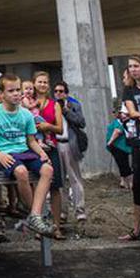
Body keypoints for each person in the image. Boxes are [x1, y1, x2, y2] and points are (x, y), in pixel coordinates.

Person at [0, 74, 55, 236]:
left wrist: (42, 153)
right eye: (10, 90)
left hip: (24, 152)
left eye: (18, 90)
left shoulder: (26, 114)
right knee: (21, 172)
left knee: (48, 170)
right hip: (6, 154)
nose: (15, 93)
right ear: (2, 95)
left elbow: (31, 141)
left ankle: (35, 214)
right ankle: (33, 212)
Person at [119, 54, 140, 242]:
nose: (133, 69)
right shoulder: (129, 90)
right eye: (130, 66)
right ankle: (137, 228)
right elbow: (131, 111)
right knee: (139, 182)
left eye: (136, 66)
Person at [31, 71, 67, 236]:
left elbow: (60, 128)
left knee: (55, 187)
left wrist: (48, 127)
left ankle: (57, 226)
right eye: (40, 82)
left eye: (45, 82)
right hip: (34, 149)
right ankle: (40, 225)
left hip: (51, 148)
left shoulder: (55, 104)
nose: (43, 85)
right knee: (38, 187)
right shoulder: (27, 103)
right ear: (34, 83)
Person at [54, 82, 89, 218]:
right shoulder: (52, 106)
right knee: (60, 180)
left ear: (66, 93)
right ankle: (63, 211)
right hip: (56, 144)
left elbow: (81, 122)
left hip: (70, 143)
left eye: (61, 91)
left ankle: (80, 210)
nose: (58, 93)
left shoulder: (74, 105)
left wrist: (67, 111)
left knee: (75, 178)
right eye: (56, 91)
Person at [105, 106, 132, 189]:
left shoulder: (122, 123)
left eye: (118, 112)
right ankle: (123, 181)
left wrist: (110, 142)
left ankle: (130, 182)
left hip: (120, 146)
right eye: (114, 112)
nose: (115, 114)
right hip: (115, 146)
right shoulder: (116, 122)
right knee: (121, 164)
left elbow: (117, 132)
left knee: (124, 164)